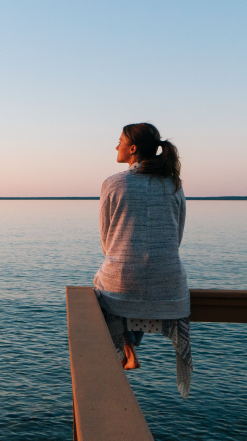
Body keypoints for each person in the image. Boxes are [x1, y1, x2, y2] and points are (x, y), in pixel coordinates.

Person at [93, 122, 193, 398]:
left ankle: (128, 348)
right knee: (136, 289)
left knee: (107, 284)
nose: (116, 146)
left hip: (123, 281)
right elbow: (178, 235)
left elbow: (106, 238)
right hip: (170, 283)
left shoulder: (113, 183)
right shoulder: (173, 184)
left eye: (120, 141)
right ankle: (132, 345)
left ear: (132, 149)